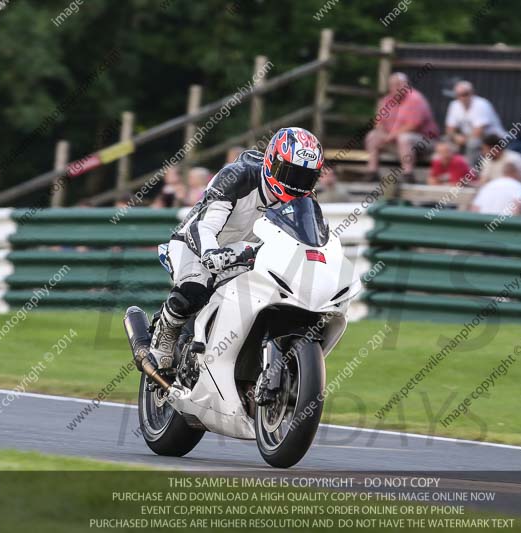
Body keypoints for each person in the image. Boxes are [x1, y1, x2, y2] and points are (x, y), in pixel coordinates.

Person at [148, 127, 324, 369]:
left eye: (304, 178)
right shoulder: (238, 176)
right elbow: (204, 225)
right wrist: (210, 253)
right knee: (195, 289)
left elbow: (311, 241)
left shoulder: (306, 200)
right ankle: (164, 338)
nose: (296, 184)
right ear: (272, 162)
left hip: (251, 255)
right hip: (197, 243)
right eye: (290, 173)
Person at [364, 72, 439, 182]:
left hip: (424, 141)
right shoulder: (385, 101)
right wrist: (381, 132)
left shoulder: (416, 99)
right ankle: (372, 172)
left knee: (404, 138)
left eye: (399, 84)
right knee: (372, 136)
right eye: (393, 85)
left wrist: (390, 136)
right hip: (394, 141)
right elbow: (378, 122)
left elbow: (413, 125)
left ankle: (408, 174)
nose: (396, 87)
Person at [445, 80, 505, 162]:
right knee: (445, 143)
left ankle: (470, 169)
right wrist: (456, 137)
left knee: (473, 143)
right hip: (468, 137)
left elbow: (479, 132)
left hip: (493, 140)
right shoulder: (454, 105)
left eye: (465, 94)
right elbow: (449, 129)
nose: (462, 97)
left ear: (472, 93)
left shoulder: (482, 104)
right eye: (459, 95)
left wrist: (463, 139)